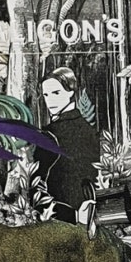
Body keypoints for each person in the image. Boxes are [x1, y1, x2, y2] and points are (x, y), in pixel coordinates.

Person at [34, 67, 99, 238]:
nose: (50, 100)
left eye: (56, 93)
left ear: (71, 92)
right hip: (89, 213)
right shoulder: (89, 129)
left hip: (61, 219)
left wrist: (72, 216)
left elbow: (35, 186)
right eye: (46, 95)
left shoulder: (49, 135)